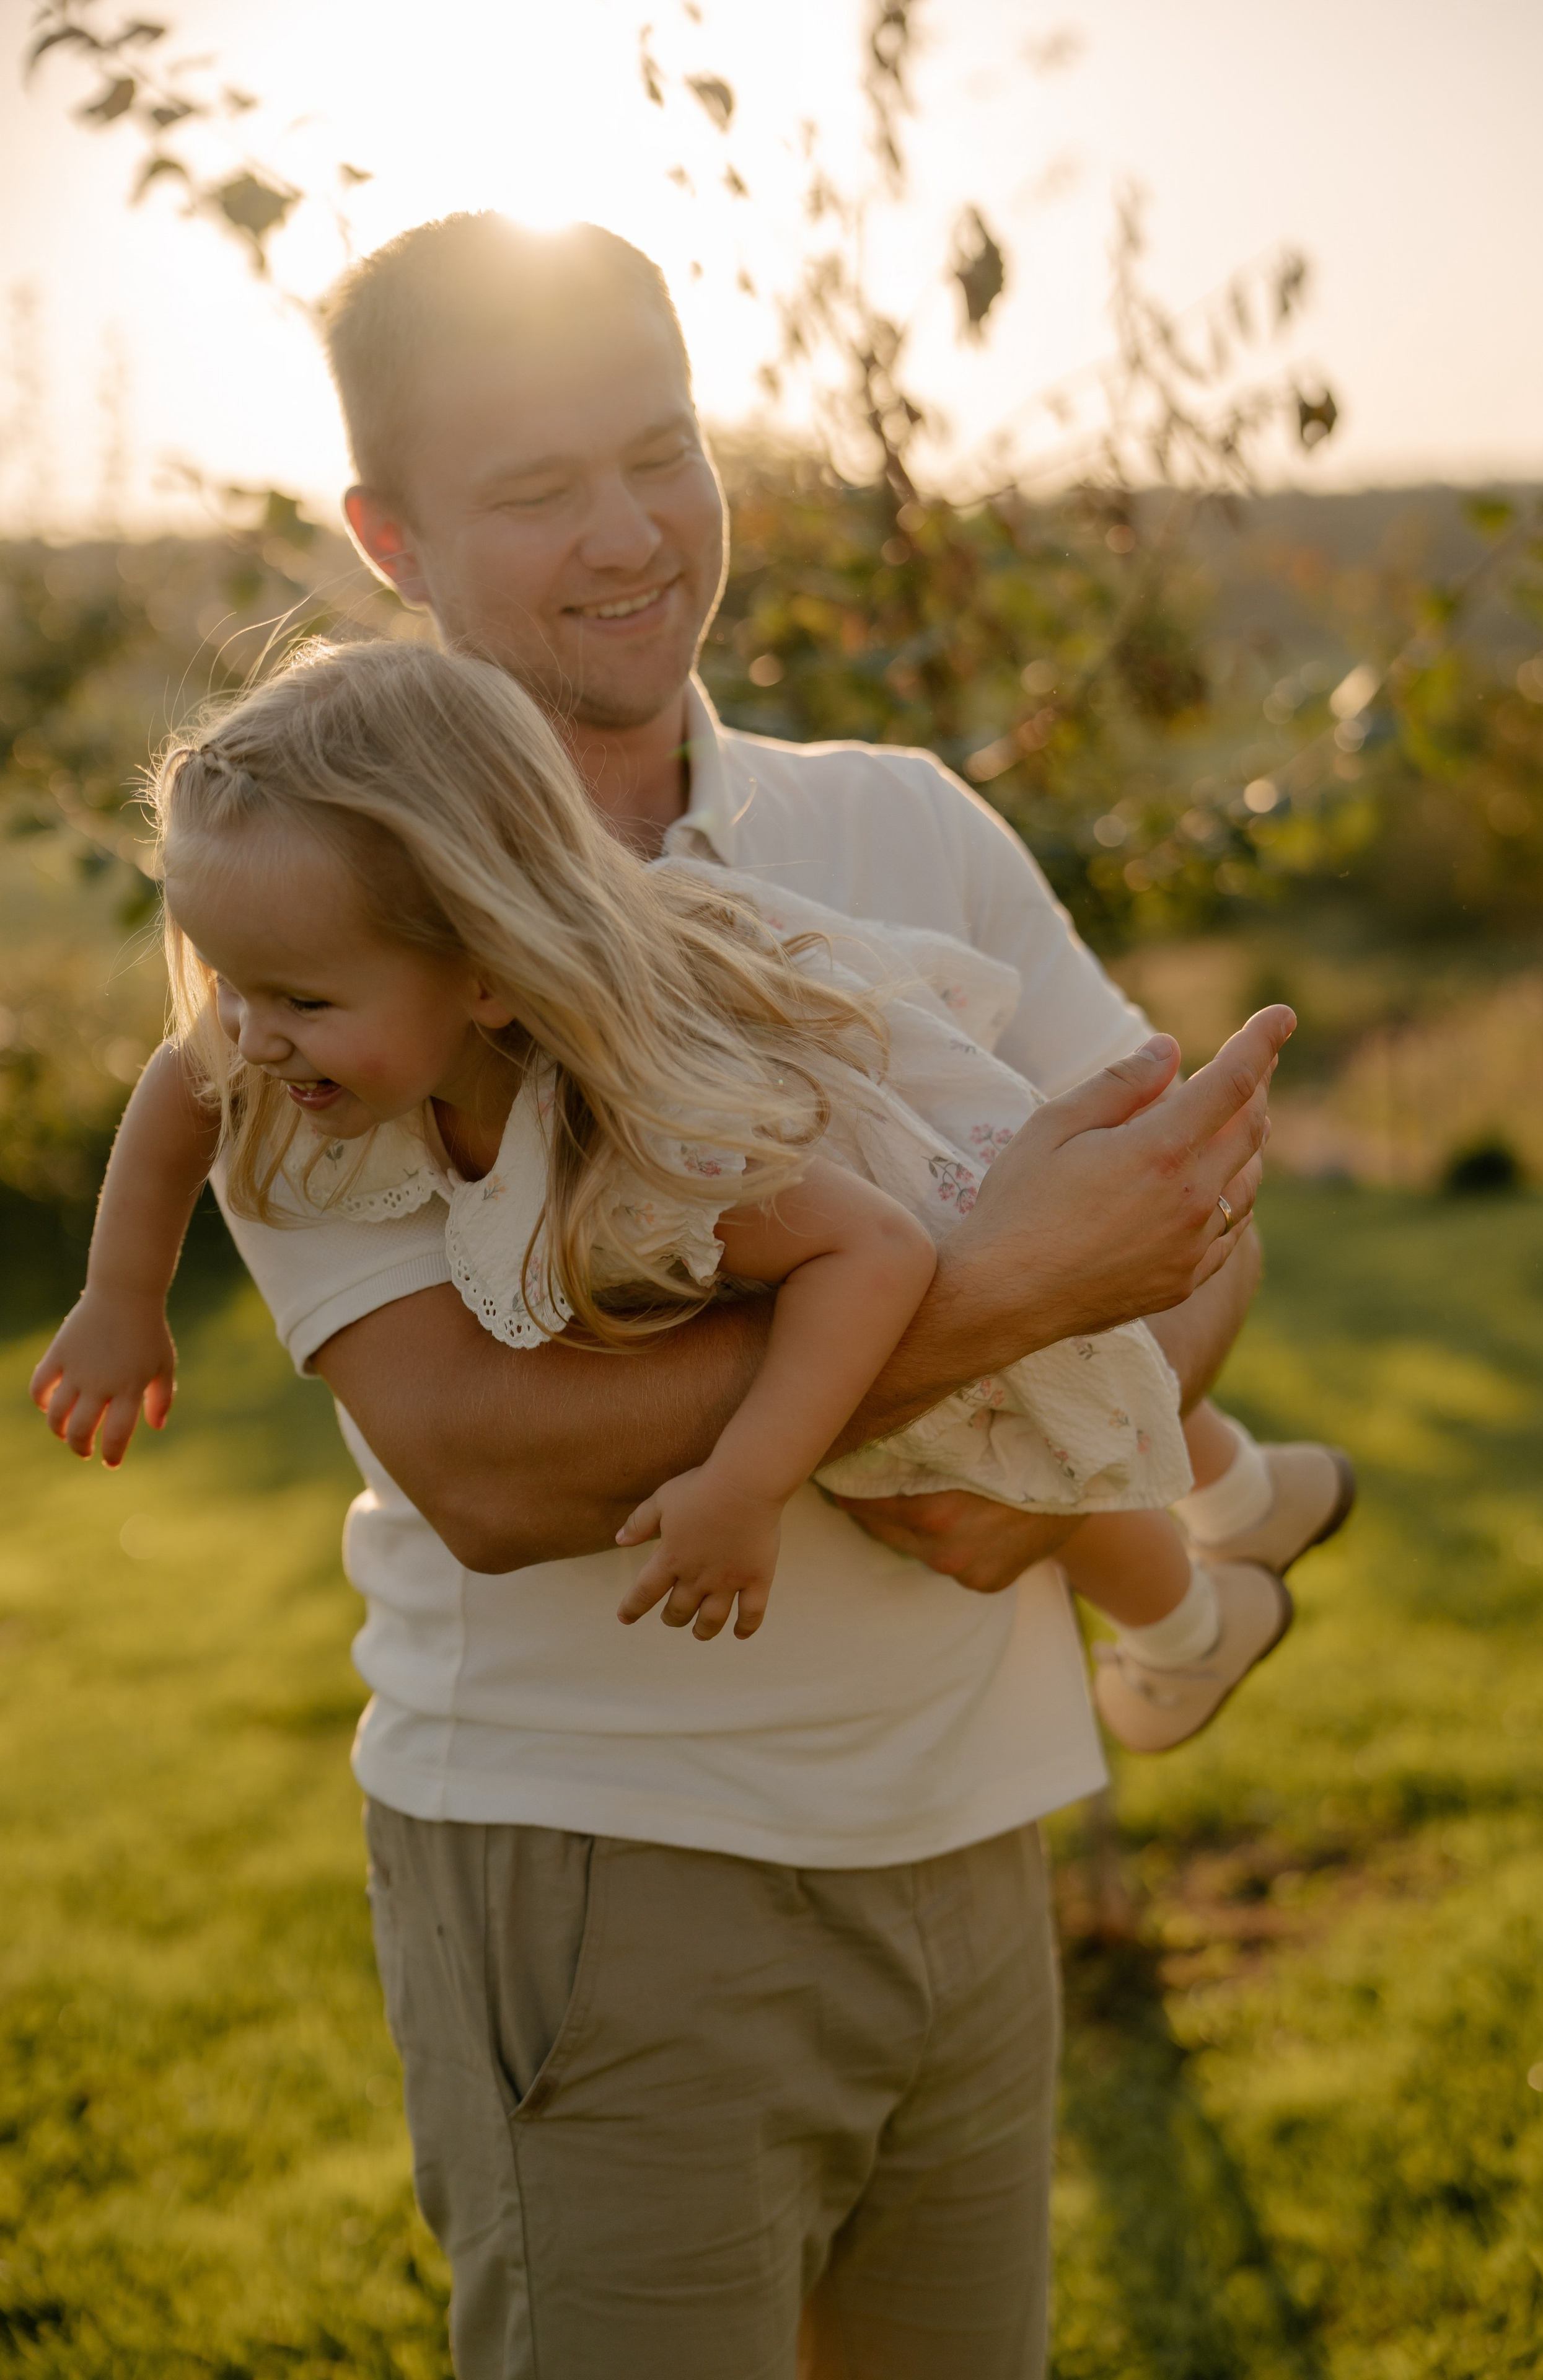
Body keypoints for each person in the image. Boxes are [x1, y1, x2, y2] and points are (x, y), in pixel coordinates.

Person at [40, 213, 1347, 2378]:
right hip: (609, 1877)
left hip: (976, 1828)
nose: (633, 533)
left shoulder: (904, 830)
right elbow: (481, 1462)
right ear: (391, 534)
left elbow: (1186, 1217)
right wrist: (1003, 1300)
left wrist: (1050, 1464)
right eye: (539, 490)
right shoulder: (330, 932)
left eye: (663, 451)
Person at [33, 637, 1287, 1696]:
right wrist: (121, 1296)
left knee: (1008, 1427)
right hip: (840, 1242)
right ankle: (1243, 1510)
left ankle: (1192, 1632)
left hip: (894, 1212)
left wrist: (744, 1483)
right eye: (235, 985)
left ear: (484, 972)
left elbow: (878, 1252)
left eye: (295, 999)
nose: (252, 1036)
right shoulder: (297, 1011)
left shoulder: (645, 1132)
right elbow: (186, 1082)